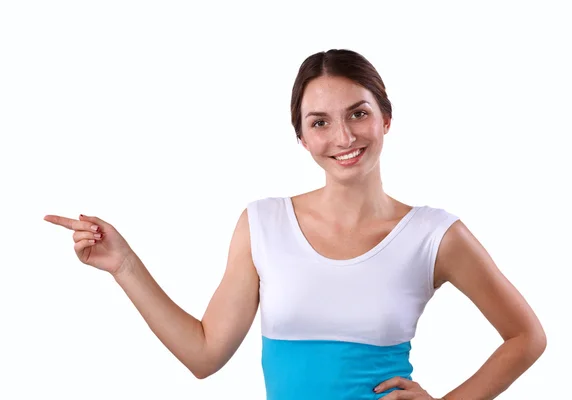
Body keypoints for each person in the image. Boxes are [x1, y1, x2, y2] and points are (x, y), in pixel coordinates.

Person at [44, 49, 546, 399]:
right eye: (320, 121)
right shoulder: (263, 224)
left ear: (386, 119)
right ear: (302, 138)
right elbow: (204, 355)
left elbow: (526, 337)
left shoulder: (434, 235)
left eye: (359, 113)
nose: (343, 136)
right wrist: (125, 266)